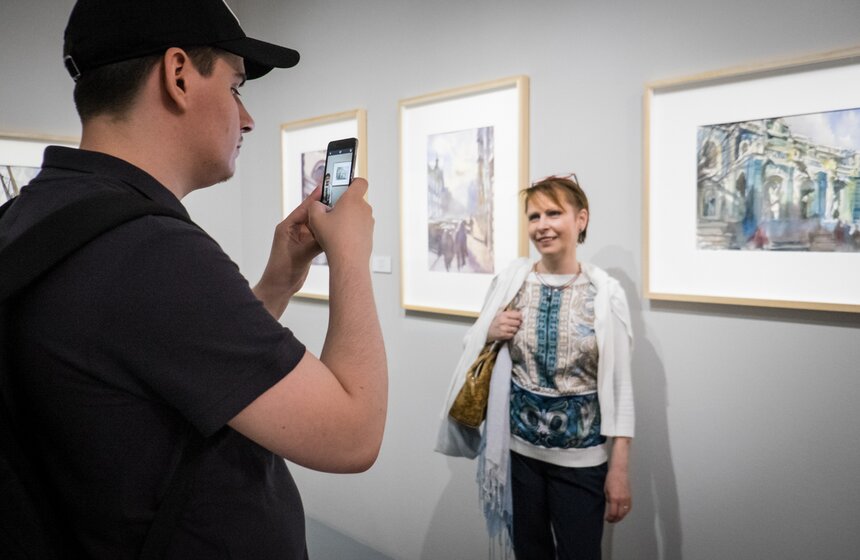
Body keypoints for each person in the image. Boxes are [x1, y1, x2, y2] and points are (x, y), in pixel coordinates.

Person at [0, 0, 387, 558]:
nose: (247, 118)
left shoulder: (37, 213)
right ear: (178, 74)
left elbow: (175, 364)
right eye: (235, 87)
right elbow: (354, 435)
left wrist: (276, 283)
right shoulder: (148, 250)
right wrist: (351, 253)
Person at [436, 175, 634, 560]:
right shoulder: (513, 282)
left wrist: (619, 469)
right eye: (534, 216)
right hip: (518, 455)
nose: (542, 225)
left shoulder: (605, 293)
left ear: (581, 219)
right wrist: (491, 331)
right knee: (529, 553)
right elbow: (474, 344)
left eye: (554, 213)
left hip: (581, 462)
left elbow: (621, 386)